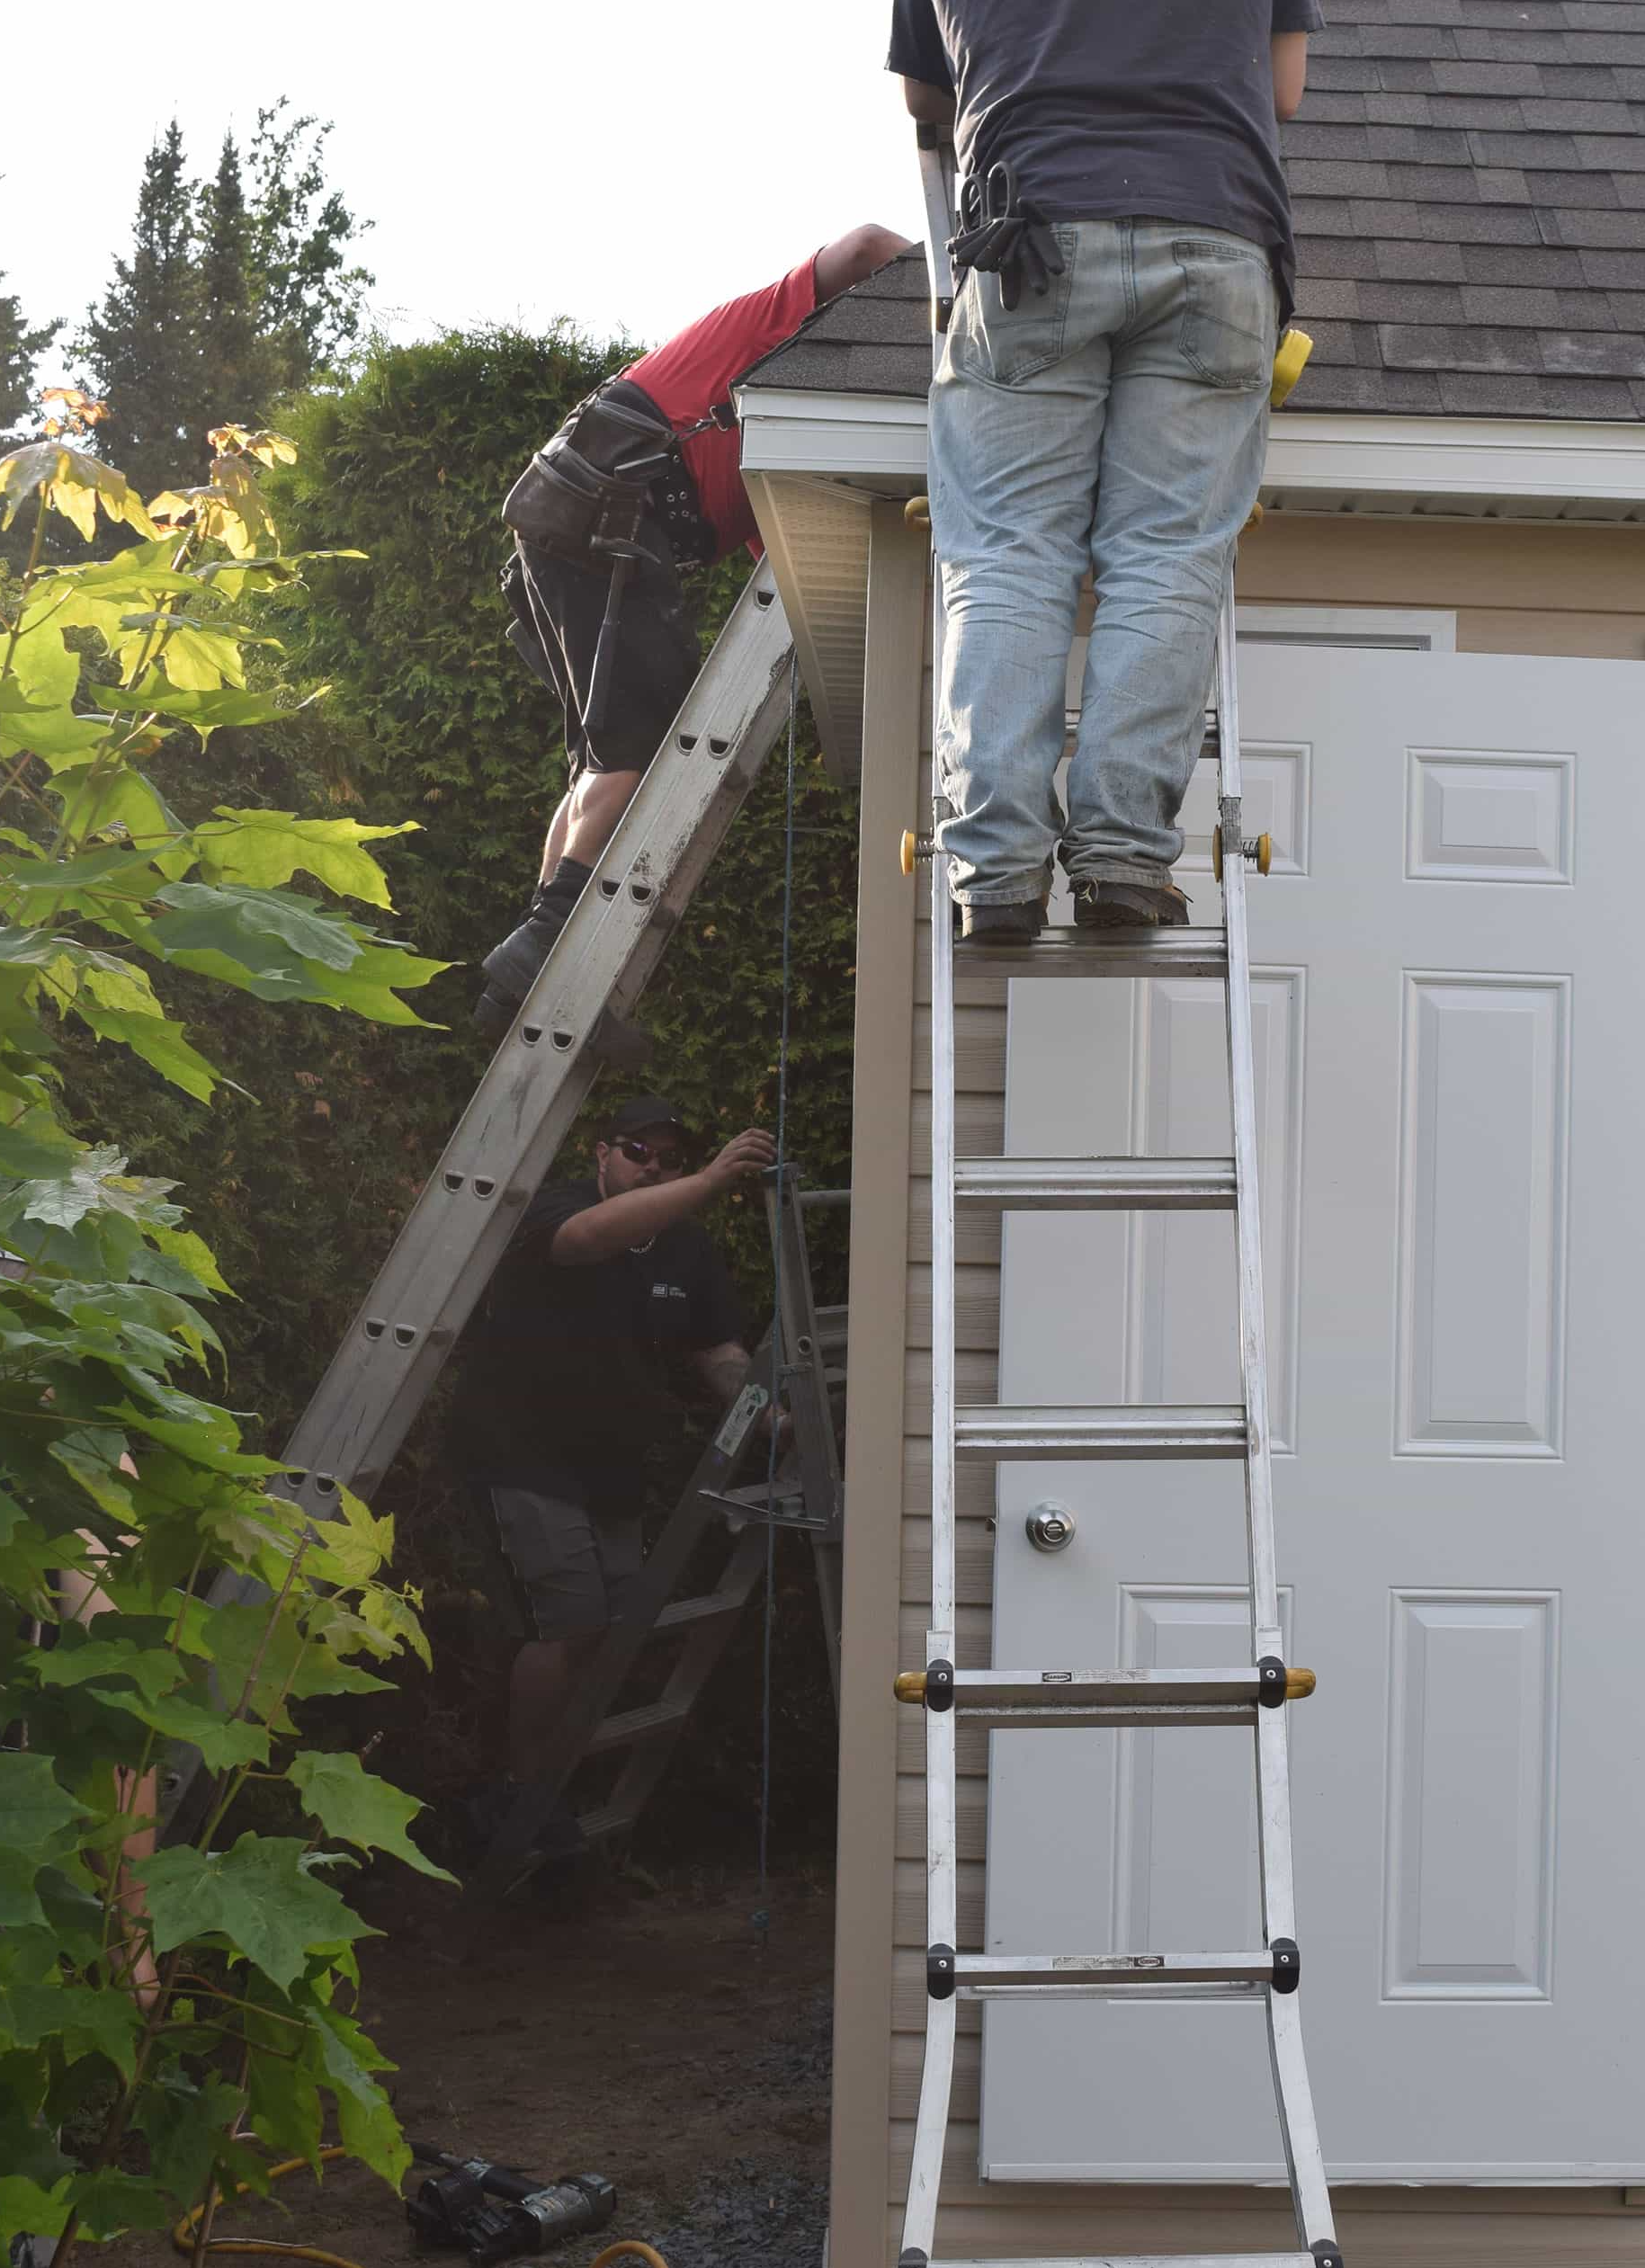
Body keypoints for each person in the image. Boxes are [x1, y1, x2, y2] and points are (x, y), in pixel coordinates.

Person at [891, 0, 1316, 942]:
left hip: (1030, 232)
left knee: (1007, 554)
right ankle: (1123, 859)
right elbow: (1282, 87)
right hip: (1217, 232)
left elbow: (926, 93)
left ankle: (996, 869)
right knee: (1166, 556)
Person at [479, 228, 912, 1037]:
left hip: (577, 511)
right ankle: (545, 947)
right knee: (644, 753)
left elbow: (781, 569)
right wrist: (953, 293)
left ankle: (536, 967)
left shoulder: (784, 448)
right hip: (609, 501)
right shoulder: (776, 318)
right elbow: (864, 248)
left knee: (600, 759)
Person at [447, 1095, 776, 1855]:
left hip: (612, 1469)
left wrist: (768, 1414)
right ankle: (522, 1793)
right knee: (565, 1622)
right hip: (520, 1451)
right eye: (637, 1150)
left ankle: (544, 1784)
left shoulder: (686, 1249)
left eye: (669, 1159)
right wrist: (712, 1179)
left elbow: (717, 1353)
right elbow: (588, 1238)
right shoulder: (557, 1210)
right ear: (600, 1153)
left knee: (609, 1633)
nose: (652, 1166)